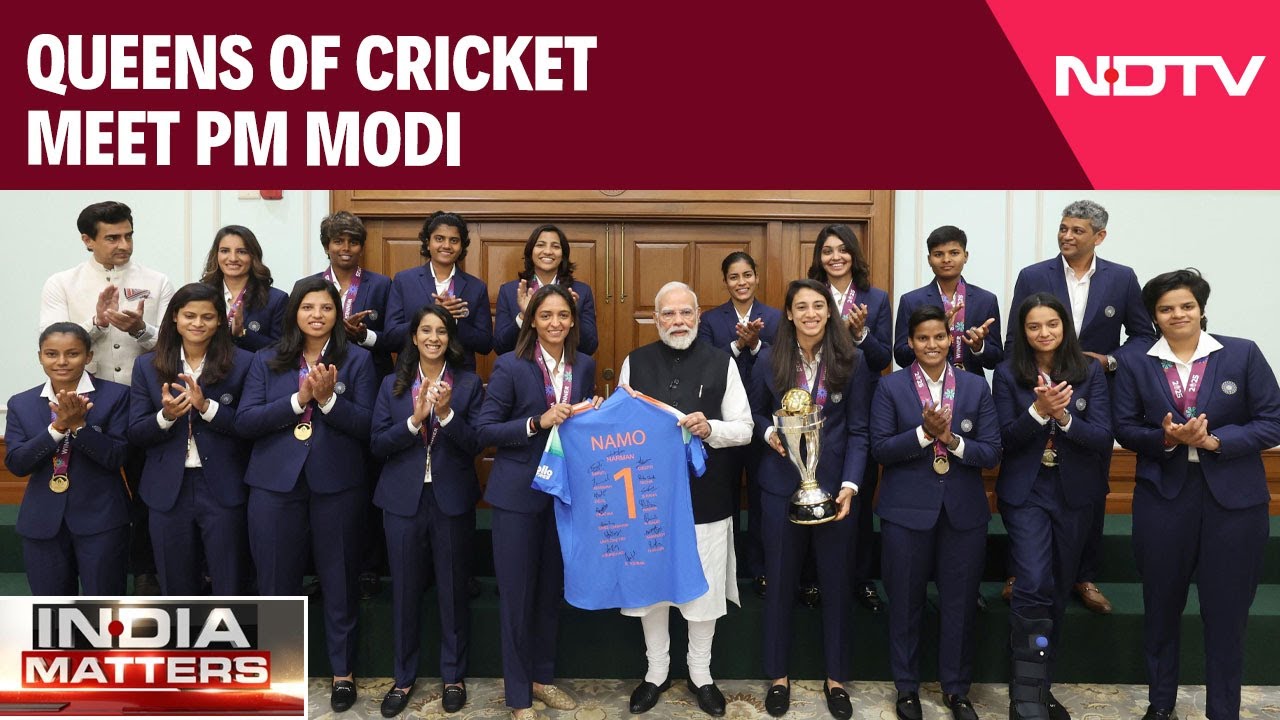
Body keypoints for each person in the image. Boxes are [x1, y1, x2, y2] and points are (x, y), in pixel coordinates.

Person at [1113, 269, 1280, 720]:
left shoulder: (1242, 353)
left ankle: (1223, 710)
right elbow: (1124, 427)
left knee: (1227, 613)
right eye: (1166, 309)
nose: (1178, 315)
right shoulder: (1136, 362)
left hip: (1235, 503)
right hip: (1164, 499)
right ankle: (1160, 704)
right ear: (1154, 316)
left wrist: (1215, 441)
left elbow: (1272, 421)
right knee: (1161, 607)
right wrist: (1166, 438)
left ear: (1201, 308)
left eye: (1186, 305)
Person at [1003, 200, 1156, 615]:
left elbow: (1143, 337)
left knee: (1090, 483)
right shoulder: (1033, 275)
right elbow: (1015, 339)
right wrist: (1027, 389)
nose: (1066, 236)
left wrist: (1108, 362)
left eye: (1077, 230)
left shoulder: (1122, 278)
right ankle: (1021, 571)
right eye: (1063, 228)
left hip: (1094, 393)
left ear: (1099, 236)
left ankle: (1083, 575)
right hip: (1036, 389)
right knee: (1025, 476)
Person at [237, 277, 378, 713]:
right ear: (293, 312)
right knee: (275, 581)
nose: (317, 315)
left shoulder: (357, 360)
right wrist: (299, 401)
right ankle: (280, 674)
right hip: (274, 485)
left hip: (337, 484)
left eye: (326, 308)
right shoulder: (266, 360)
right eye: (308, 307)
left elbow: (370, 427)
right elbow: (246, 422)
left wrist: (329, 402)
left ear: (337, 314)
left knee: (340, 579)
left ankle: (342, 673)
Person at [619, 281, 753, 718]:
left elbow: (745, 429)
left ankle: (701, 673)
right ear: (656, 319)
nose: (677, 321)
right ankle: (656, 671)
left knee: (704, 587)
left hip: (706, 496)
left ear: (698, 316)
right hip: (649, 498)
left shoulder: (722, 362)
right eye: (668, 314)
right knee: (652, 586)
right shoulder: (635, 362)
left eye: (685, 313)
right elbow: (620, 428)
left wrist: (710, 428)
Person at [748, 279, 871, 720]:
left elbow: (859, 430)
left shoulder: (852, 360)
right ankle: (778, 676)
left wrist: (851, 485)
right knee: (780, 582)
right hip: (781, 487)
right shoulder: (768, 359)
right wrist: (768, 432)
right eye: (801, 307)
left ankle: (836, 678)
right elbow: (751, 413)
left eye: (819, 306)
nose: (811, 314)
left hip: (835, 490)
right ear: (789, 313)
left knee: (836, 584)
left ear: (829, 312)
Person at [39, 200, 175, 596]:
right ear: (87, 240)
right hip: (87, 404)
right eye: (113, 238)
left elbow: (172, 344)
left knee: (147, 487)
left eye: (128, 235)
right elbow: (54, 342)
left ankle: (147, 570)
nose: (124, 245)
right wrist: (96, 324)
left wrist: (140, 330)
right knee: (94, 485)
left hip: (145, 403)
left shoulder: (158, 281)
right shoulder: (61, 283)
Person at [873, 305, 1001, 720]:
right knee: (905, 603)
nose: (932, 345)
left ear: (951, 339)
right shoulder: (890, 387)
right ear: (910, 343)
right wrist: (924, 434)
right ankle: (906, 688)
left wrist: (953, 440)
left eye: (939, 337)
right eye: (923, 338)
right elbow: (881, 449)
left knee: (960, 605)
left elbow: (992, 452)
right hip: (905, 513)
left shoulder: (975, 387)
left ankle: (957, 690)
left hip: (963, 513)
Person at [475, 285, 596, 720]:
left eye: (563, 315)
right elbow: (485, 430)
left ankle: (542, 678)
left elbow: (577, 428)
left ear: (573, 321)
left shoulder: (584, 365)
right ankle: (518, 696)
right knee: (517, 598)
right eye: (546, 315)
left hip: (563, 494)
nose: (555, 323)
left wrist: (591, 413)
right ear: (532, 321)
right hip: (517, 496)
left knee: (548, 593)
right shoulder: (510, 364)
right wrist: (535, 422)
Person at [993, 293, 1113, 720]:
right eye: (1033, 326)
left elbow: (1102, 438)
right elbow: (1003, 439)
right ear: (1023, 332)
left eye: (1052, 324)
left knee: (1059, 590)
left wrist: (1063, 419)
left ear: (1065, 327)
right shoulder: (1007, 374)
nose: (1044, 333)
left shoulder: (1089, 372)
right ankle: (1024, 696)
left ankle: (1039, 686)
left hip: (1075, 492)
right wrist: (1038, 412)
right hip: (1027, 491)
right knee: (1032, 581)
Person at [371, 305, 484, 717]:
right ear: (414, 337)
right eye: (425, 330)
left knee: (453, 590)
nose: (433, 338)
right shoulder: (392, 384)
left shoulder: (468, 384)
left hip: (451, 498)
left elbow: (477, 443)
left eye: (441, 331)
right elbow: (377, 444)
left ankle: (453, 676)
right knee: (404, 591)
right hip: (402, 501)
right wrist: (414, 421)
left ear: (450, 339)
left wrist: (447, 415)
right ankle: (403, 678)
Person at [128, 283, 254, 595]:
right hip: (167, 487)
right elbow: (136, 431)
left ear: (220, 320)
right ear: (175, 317)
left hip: (223, 484)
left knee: (229, 580)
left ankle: (227, 629)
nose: (198, 323)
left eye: (207, 317)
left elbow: (249, 426)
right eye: (189, 316)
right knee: (175, 583)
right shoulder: (147, 365)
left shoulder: (244, 363)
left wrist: (207, 408)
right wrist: (166, 416)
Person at [303, 210, 395, 601]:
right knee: (322, 486)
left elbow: (395, 337)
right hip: (316, 390)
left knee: (368, 479)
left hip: (366, 385)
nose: (346, 247)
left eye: (353, 241)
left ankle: (369, 567)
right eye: (338, 240)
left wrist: (365, 335)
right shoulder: (310, 286)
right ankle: (323, 571)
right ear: (326, 245)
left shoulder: (382, 285)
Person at [4, 322, 131, 595]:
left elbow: (116, 457)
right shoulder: (21, 403)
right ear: (40, 356)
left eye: (72, 353)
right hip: (42, 522)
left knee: (104, 607)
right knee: (52, 612)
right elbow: (17, 463)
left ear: (88, 356)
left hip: (101, 519)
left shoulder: (116, 396)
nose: (61, 361)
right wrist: (58, 428)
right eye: (51, 354)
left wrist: (79, 427)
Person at [807, 224, 893, 613]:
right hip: (814, 411)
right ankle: (812, 577)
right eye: (828, 250)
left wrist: (860, 336)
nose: (836, 257)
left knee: (857, 492)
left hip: (861, 412)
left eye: (843, 249)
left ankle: (861, 578)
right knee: (812, 489)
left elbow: (883, 359)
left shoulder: (876, 298)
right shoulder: (810, 294)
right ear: (819, 257)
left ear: (854, 254)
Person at [696, 251, 781, 599]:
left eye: (747, 275)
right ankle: (725, 569)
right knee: (724, 498)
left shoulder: (775, 318)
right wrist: (736, 345)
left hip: (762, 422)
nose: (741, 282)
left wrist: (757, 345)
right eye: (734, 277)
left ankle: (760, 570)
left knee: (761, 499)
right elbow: (704, 364)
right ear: (725, 281)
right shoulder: (710, 320)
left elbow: (783, 361)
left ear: (756, 277)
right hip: (722, 423)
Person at [387, 211, 494, 370]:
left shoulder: (476, 287)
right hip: (411, 375)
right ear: (427, 242)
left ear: (462, 246)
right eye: (439, 239)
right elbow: (390, 338)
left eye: (454, 240)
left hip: (459, 376)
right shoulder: (404, 281)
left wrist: (453, 321)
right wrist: (432, 315)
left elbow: (485, 344)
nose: (446, 246)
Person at [893, 225, 1002, 380]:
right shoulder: (911, 301)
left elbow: (996, 359)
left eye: (954, 253)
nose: (946, 260)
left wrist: (979, 347)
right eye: (938, 254)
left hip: (971, 386)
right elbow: (900, 356)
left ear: (965, 256)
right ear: (929, 259)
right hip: (923, 384)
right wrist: (929, 336)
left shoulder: (986, 300)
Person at [494, 223, 598, 355]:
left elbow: (590, 347)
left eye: (555, 246)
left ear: (563, 254)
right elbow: (500, 347)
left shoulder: (581, 291)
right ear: (530, 251)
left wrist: (572, 313)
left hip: (566, 366)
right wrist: (524, 316)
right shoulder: (510, 291)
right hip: (522, 366)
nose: (548, 251)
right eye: (540, 245)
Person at [201, 225, 288, 352]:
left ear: (253, 256)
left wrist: (242, 333)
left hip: (252, 365)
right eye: (225, 251)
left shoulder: (276, 300)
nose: (233, 258)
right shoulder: (201, 295)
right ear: (216, 255)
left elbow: (281, 350)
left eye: (242, 252)